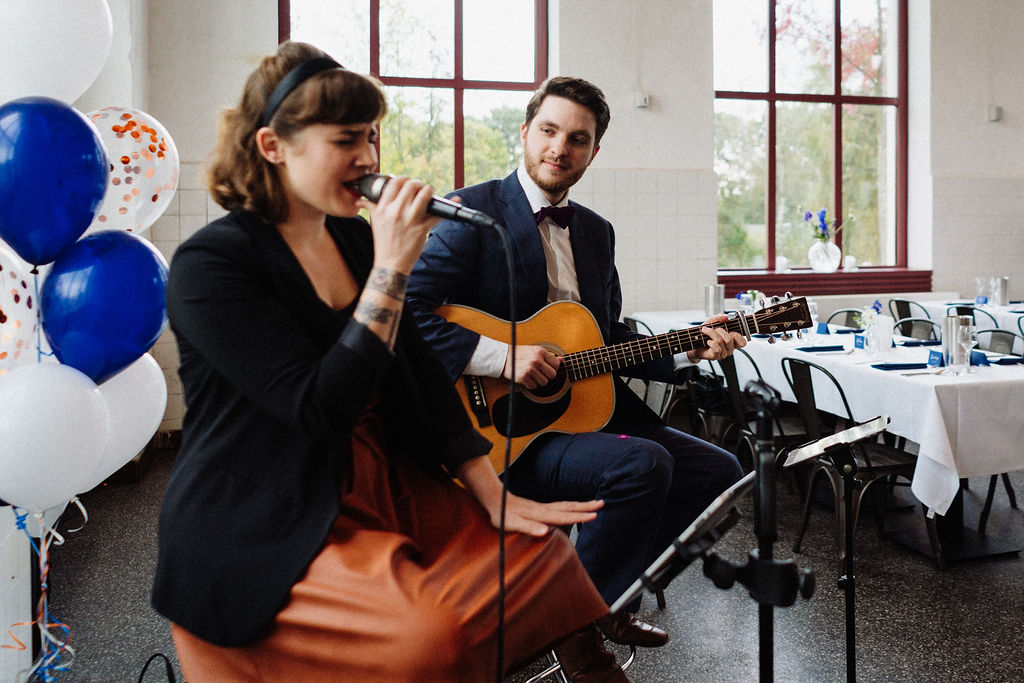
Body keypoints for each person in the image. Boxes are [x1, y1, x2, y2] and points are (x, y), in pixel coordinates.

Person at [151, 42, 632, 682]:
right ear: (273, 147)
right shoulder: (211, 265)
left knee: (541, 554)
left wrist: (490, 492)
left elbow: (415, 372)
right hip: (270, 502)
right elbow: (319, 408)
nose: (370, 160)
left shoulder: (352, 237)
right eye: (347, 140)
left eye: (373, 139)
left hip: (385, 473)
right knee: (425, 639)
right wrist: (392, 270)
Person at [406, 76, 747, 642]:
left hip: (579, 416)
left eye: (577, 139)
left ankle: (612, 590)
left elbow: (605, 336)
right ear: (524, 132)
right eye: (548, 130)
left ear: (594, 151)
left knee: (721, 473)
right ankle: (577, 627)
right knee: (642, 464)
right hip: (496, 430)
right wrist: (500, 357)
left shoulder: (596, 232)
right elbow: (404, 313)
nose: (559, 149)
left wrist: (686, 348)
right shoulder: (471, 212)